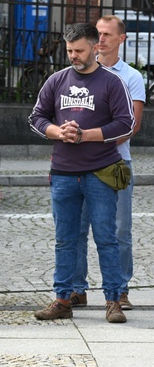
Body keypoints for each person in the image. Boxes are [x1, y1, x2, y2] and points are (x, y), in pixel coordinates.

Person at [29, 23, 134, 323]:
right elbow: (36, 117)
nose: (73, 56)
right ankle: (63, 299)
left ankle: (113, 300)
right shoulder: (56, 80)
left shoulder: (112, 83)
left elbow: (125, 123)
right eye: (70, 51)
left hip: (101, 172)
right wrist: (57, 131)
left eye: (79, 50)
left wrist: (85, 135)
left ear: (94, 47)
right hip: (62, 173)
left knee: (106, 237)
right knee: (65, 239)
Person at [70, 15, 146, 311]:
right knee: (76, 228)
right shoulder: (79, 71)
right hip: (79, 164)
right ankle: (77, 288)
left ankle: (120, 289)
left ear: (121, 39)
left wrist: (93, 144)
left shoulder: (130, 77)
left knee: (118, 230)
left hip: (114, 164)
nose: (100, 38)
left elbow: (132, 125)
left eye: (107, 34)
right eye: (97, 33)